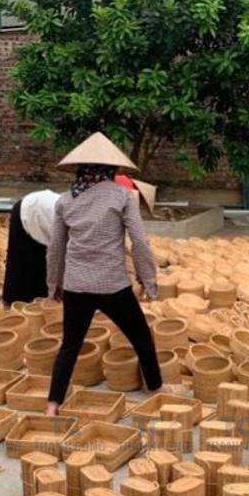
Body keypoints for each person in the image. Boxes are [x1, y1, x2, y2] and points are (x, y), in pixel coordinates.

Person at [44, 132, 163, 417]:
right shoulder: (122, 195)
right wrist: (148, 281)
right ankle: (156, 387)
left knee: (70, 346)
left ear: (80, 169)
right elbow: (139, 241)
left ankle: (53, 404)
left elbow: (55, 247)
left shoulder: (65, 201)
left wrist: (54, 283)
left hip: (76, 285)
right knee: (141, 336)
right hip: (113, 285)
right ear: (112, 169)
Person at [1, 188, 60, 305]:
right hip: (26, 211)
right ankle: (13, 301)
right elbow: (58, 256)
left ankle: (39, 299)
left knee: (40, 263)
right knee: (19, 262)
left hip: (42, 217)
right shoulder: (74, 222)